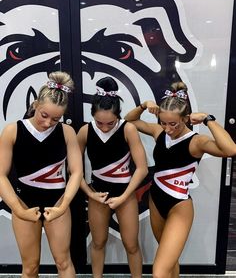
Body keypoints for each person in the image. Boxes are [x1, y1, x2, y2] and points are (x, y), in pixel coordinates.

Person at [124, 81, 236, 278]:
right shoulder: (159, 132)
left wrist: (208, 119)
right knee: (169, 262)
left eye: (173, 123)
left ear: (186, 118)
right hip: (156, 200)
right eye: (163, 122)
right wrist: (143, 106)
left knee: (159, 272)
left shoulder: (196, 142)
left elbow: (230, 149)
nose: (167, 128)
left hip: (179, 207)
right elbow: (130, 120)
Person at [0, 71, 83, 278]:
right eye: (44, 115)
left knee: (64, 262)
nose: (47, 123)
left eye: (56, 119)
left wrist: (63, 206)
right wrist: (19, 210)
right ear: (36, 105)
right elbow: (1, 175)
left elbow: (76, 172)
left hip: (57, 202)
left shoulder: (66, 132)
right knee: (30, 267)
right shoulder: (13, 130)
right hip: (24, 202)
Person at [77, 76, 148, 278]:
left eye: (110, 122)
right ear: (92, 115)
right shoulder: (85, 131)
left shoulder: (128, 128)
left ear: (118, 115)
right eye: (100, 122)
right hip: (98, 193)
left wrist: (124, 196)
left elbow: (142, 168)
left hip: (125, 194)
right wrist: (90, 194)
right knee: (98, 242)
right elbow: (74, 170)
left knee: (131, 244)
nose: (105, 127)